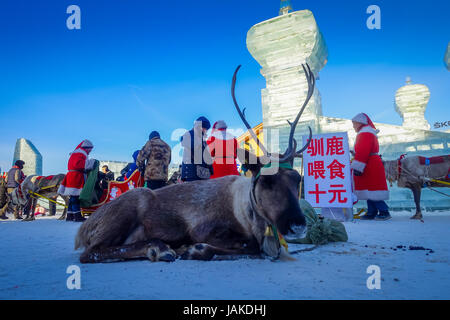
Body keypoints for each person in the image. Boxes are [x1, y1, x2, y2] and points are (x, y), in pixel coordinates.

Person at [351, 113, 391, 221]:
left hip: (369, 164)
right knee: (369, 189)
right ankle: (371, 212)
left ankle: (384, 211)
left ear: (360, 123)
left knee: (372, 189)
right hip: (370, 163)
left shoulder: (365, 133)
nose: (353, 126)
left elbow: (363, 151)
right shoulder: (367, 132)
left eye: (354, 123)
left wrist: (358, 167)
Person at [58, 140, 96, 222]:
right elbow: (78, 164)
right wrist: (91, 162)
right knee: (75, 197)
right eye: (90, 149)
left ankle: (70, 215)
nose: (90, 151)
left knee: (72, 197)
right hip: (76, 176)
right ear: (86, 148)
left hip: (73, 175)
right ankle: (77, 216)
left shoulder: (78, 153)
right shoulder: (80, 153)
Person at [180, 116, 213, 182]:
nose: (204, 130)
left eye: (206, 128)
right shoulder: (189, 134)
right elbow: (185, 142)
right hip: (191, 173)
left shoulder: (202, 139)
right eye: (203, 127)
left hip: (201, 173)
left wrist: (210, 168)